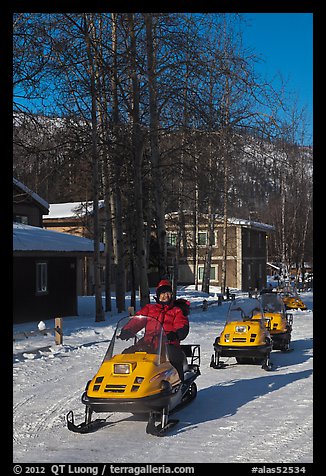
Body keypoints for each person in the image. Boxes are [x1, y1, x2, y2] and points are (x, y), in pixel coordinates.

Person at [118, 279, 190, 382]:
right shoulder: (149, 309)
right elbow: (137, 321)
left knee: (174, 359)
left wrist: (177, 333)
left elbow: (181, 323)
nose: (165, 296)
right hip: (148, 343)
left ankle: (179, 384)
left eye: (168, 293)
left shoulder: (177, 310)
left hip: (168, 344)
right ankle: (123, 382)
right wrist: (127, 330)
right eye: (162, 293)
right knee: (126, 355)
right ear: (158, 295)